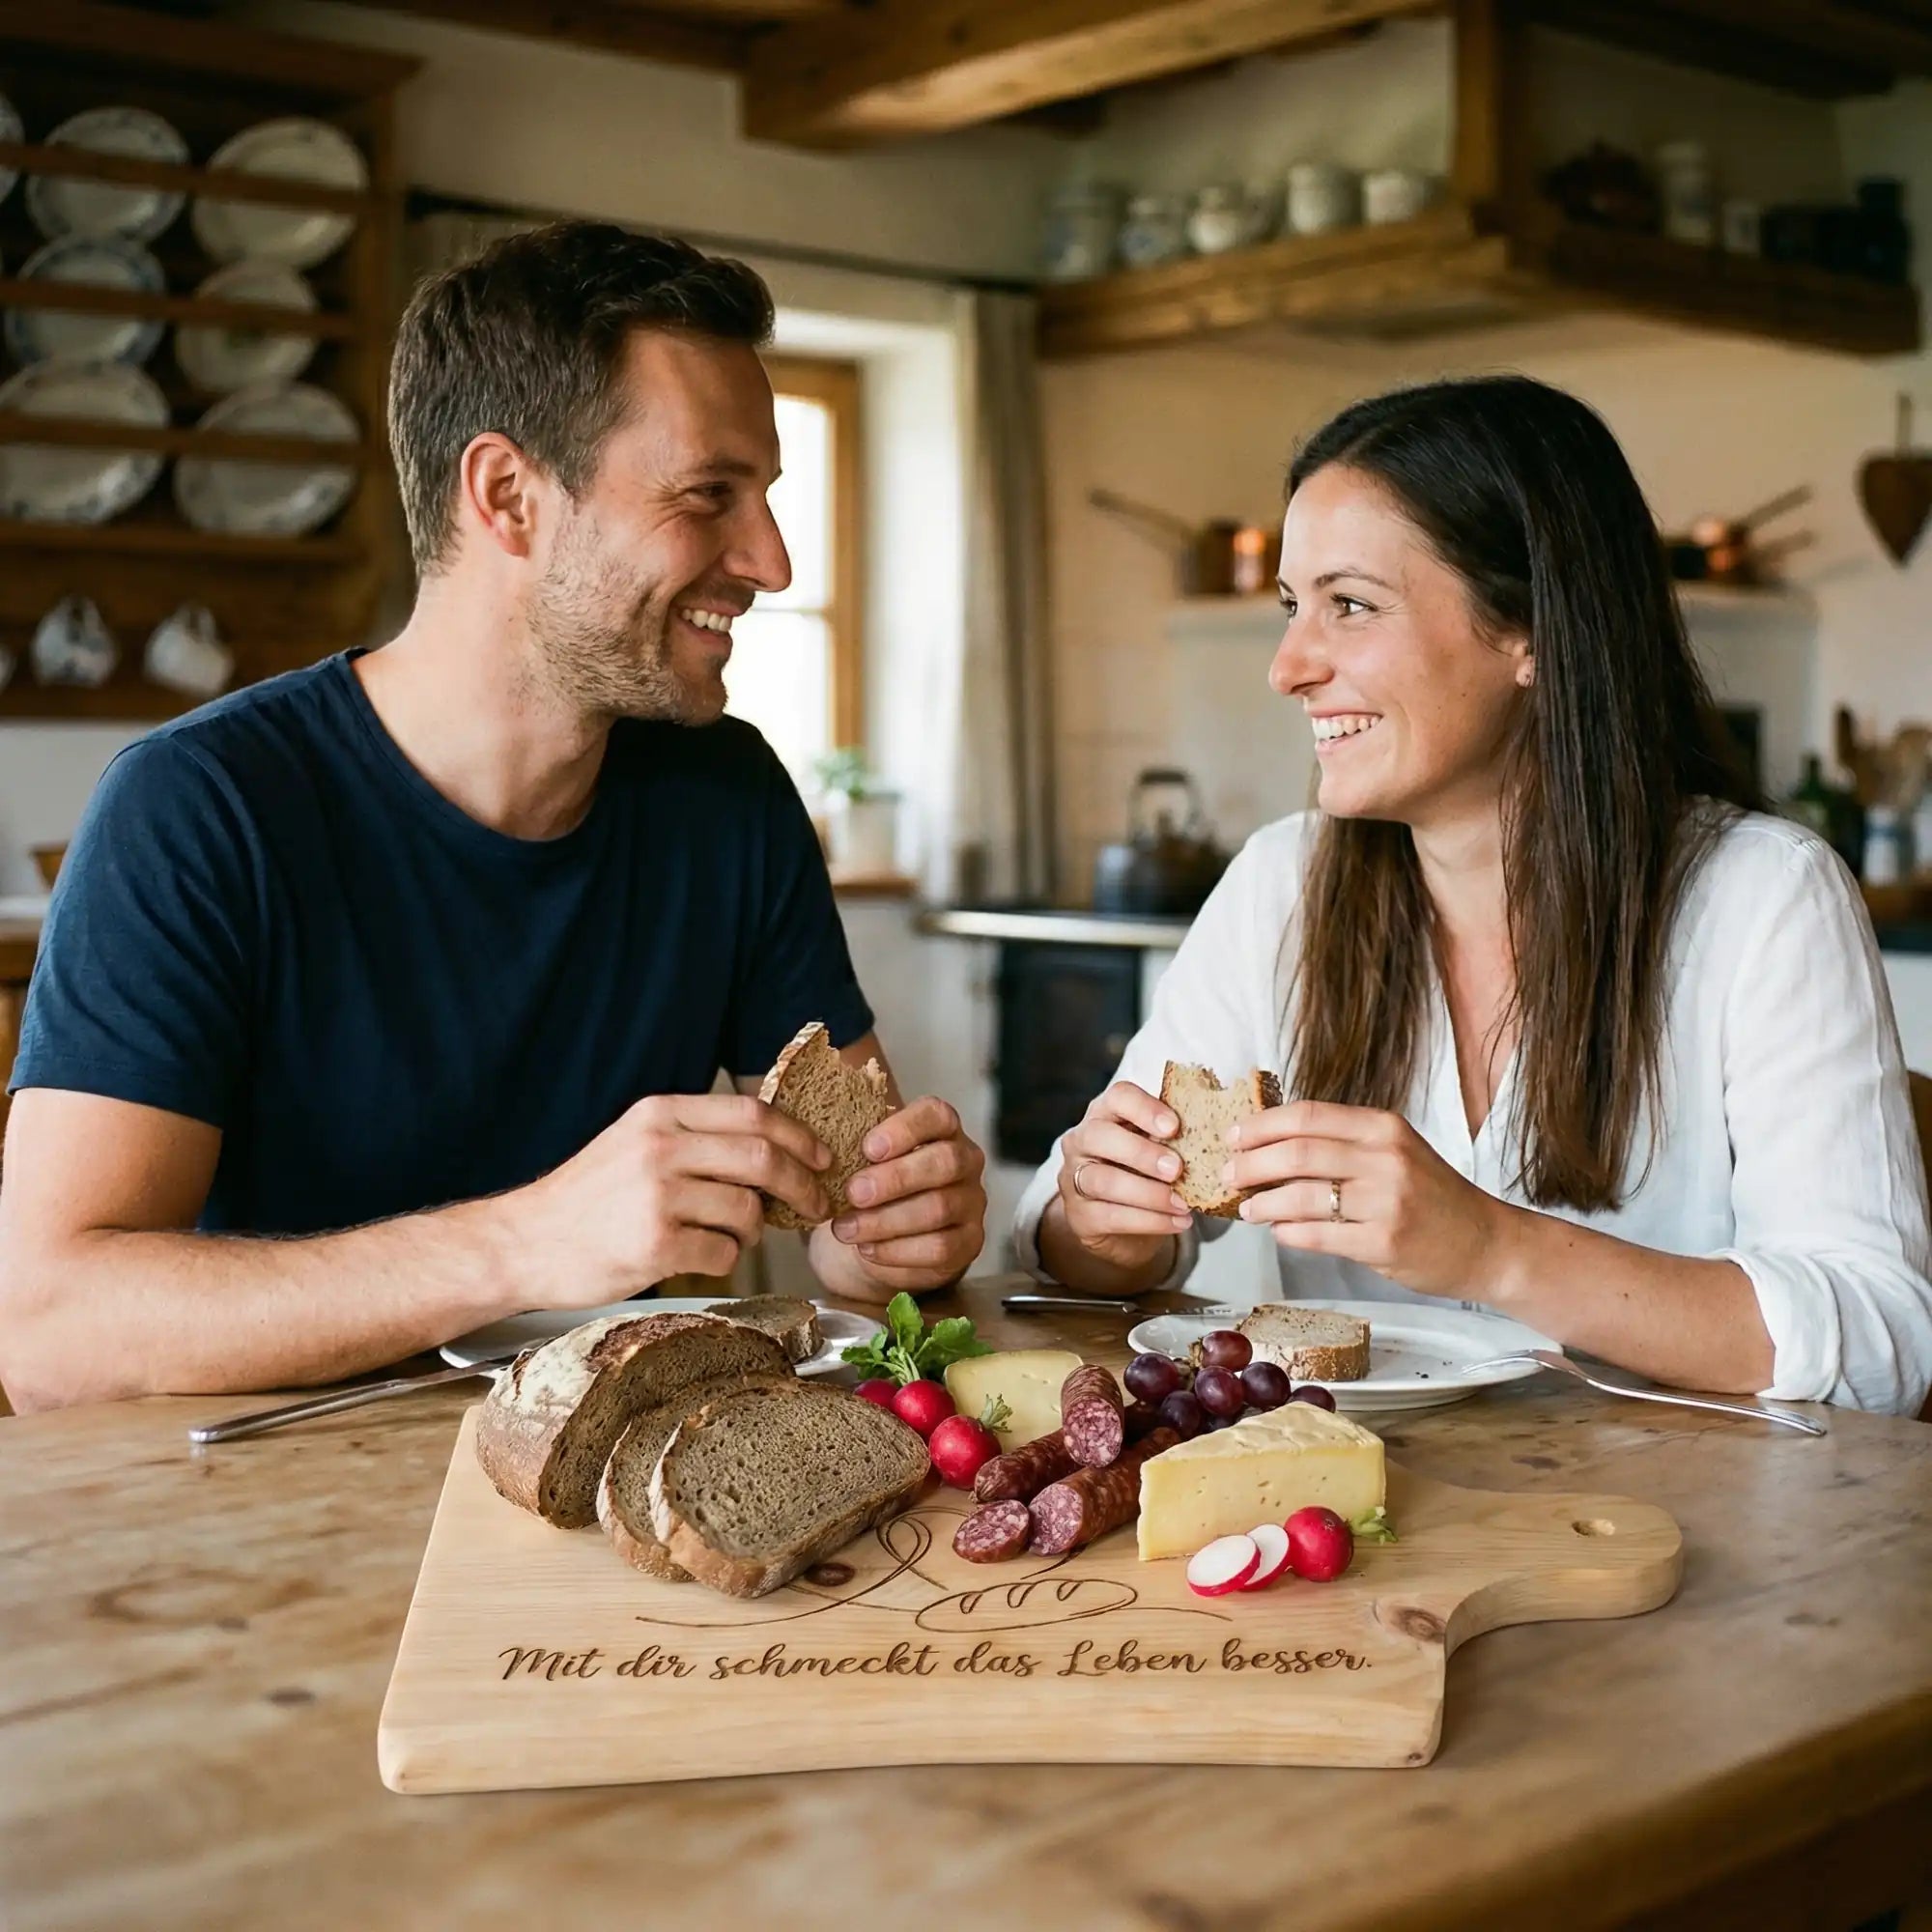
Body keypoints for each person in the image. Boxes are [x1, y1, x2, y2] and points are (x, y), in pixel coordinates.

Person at [0, 222, 986, 1413]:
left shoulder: (726, 794)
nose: (770, 560)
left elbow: (842, 1222)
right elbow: (47, 1330)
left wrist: (884, 1235)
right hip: (272, 1501)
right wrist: (523, 1243)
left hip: (630, 1495)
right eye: (708, 494)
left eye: (765, 496)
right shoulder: (198, 807)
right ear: (509, 495)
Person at [1017, 375, 1932, 1416]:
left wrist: (1489, 1247)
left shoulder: (1764, 898)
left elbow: (1881, 1343)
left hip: (1687, 1536)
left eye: (1348, 605)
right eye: (1290, 606)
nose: (1286, 665)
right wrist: (1098, 1219)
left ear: (1529, 631)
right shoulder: (1281, 883)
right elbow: (1059, 1232)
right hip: (1367, 1522)